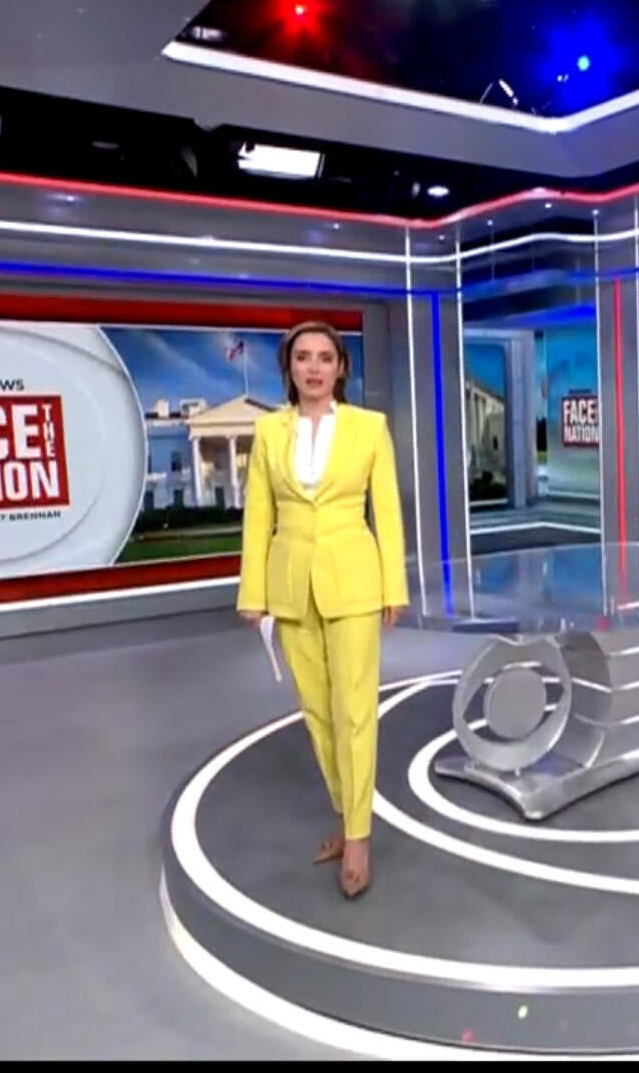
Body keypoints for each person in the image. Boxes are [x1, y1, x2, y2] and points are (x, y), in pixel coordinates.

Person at [236, 320, 408, 901]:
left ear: (341, 368)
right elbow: (258, 515)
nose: (313, 367)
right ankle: (345, 813)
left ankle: (357, 840)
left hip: (354, 581)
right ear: (289, 367)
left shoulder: (368, 428)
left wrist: (393, 587)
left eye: (325, 357)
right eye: (303, 357)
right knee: (318, 714)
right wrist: (253, 593)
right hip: (290, 587)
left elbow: (387, 511)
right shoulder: (268, 431)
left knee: (354, 711)